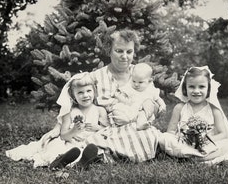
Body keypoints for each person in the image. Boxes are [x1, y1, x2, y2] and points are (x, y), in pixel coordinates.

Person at [38, 29, 161, 164]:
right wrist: (57, 127)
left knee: (148, 135)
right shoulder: (96, 76)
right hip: (104, 129)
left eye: (129, 52)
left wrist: (151, 108)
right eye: (119, 51)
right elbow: (74, 101)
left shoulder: (139, 73)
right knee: (91, 139)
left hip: (134, 126)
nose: (124, 56)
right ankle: (94, 155)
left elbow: (155, 101)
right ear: (109, 51)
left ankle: (96, 156)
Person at [6, 72, 109, 168]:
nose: (85, 95)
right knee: (59, 147)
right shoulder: (69, 112)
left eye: (88, 91)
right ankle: (59, 161)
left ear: (94, 91)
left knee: (94, 148)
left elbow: (108, 130)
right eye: (80, 93)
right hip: (71, 142)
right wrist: (73, 131)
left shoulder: (100, 110)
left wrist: (97, 127)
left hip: (89, 142)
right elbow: (63, 135)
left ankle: (83, 161)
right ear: (73, 95)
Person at [159, 66, 228, 164]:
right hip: (186, 144)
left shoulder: (214, 110)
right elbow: (171, 131)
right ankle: (200, 157)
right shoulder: (179, 108)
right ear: (185, 88)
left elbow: (223, 134)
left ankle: (195, 158)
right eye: (191, 87)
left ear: (208, 88)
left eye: (201, 87)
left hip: (207, 145)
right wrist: (184, 139)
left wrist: (204, 140)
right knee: (164, 138)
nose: (196, 91)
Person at [100, 62, 166, 130]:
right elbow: (122, 95)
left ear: (149, 81)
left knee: (146, 108)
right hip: (130, 109)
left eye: (140, 82)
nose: (136, 84)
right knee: (117, 108)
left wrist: (162, 105)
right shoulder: (130, 87)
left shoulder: (151, 90)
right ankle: (126, 122)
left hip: (142, 112)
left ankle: (140, 124)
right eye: (134, 81)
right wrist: (117, 96)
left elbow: (158, 99)